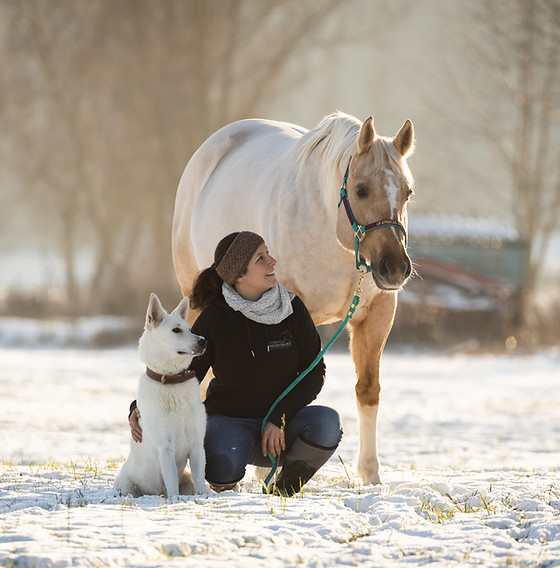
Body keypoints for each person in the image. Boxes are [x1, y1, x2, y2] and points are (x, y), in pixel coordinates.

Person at [129, 231, 342, 496]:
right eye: (261, 258)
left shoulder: (293, 309)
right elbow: (181, 372)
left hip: (284, 426)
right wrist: (140, 405)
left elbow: (314, 372)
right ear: (239, 275)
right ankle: (225, 483)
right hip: (230, 424)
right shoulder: (215, 318)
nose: (273, 261)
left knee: (327, 424)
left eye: (268, 253)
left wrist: (280, 418)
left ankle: (285, 487)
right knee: (220, 456)